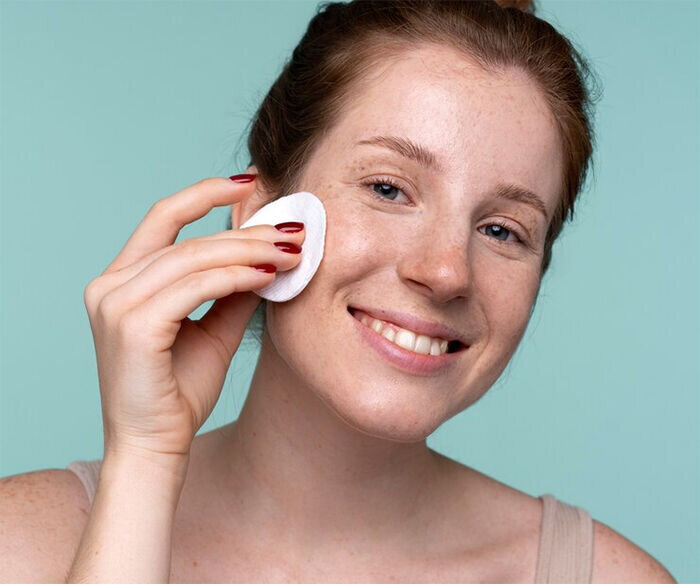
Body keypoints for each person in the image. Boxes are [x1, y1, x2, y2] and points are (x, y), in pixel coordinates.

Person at [0, 1, 677, 582]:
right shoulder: (24, 547)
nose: (447, 271)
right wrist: (144, 459)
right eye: (388, 188)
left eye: (503, 230)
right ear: (261, 216)